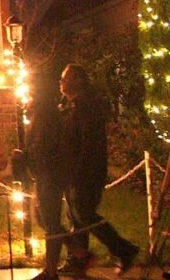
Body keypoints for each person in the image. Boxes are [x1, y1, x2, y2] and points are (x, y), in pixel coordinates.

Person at [59, 64, 139, 274]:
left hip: (86, 171)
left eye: (65, 78)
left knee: (84, 214)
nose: (61, 83)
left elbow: (89, 142)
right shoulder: (71, 105)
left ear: (77, 80)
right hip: (73, 170)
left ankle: (123, 248)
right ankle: (78, 258)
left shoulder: (85, 105)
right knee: (75, 216)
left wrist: (80, 169)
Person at [17, 82, 68, 280]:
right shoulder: (37, 112)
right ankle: (75, 248)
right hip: (42, 172)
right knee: (41, 217)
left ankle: (51, 270)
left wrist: (27, 156)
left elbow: (44, 144)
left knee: (50, 220)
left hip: (50, 172)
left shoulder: (45, 114)